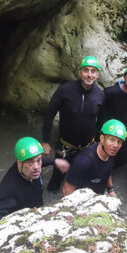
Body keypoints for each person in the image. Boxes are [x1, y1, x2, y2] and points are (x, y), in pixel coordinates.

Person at [42, 56, 105, 191]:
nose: (89, 74)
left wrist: (100, 144)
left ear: (97, 74)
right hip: (65, 146)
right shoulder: (65, 90)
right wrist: (45, 141)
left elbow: (100, 122)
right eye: (86, 70)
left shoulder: (100, 95)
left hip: (87, 148)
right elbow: (49, 114)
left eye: (93, 71)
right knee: (55, 182)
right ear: (80, 72)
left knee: (80, 182)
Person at [0, 137, 70, 226]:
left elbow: (35, 160)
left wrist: (54, 161)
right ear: (19, 163)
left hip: (36, 207)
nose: (36, 167)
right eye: (30, 163)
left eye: (39, 160)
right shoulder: (10, 189)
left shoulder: (28, 168)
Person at [62, 119, 126, 198]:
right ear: (102, 138)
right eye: (111, 140)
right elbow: (66, 191)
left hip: (98, 195)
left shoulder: (110, 152)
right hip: (81, 200)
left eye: (119, 142)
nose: (115, 145)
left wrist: (110, 190)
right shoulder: (83, 162)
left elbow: (107, 171)